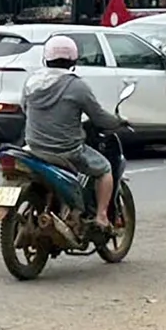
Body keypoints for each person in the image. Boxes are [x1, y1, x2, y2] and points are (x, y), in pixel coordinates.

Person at [21, 35, 126, 229]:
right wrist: (119, 122)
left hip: (33, 148)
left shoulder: (31, 83)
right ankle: (102, 216)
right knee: (104, 169)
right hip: (67, 151)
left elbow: (24, 109)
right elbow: (99, 117)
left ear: (46, 59)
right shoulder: (77, 86)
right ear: (73, 61)